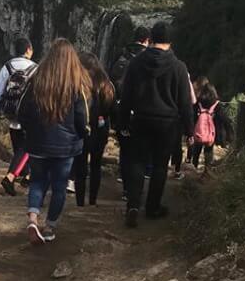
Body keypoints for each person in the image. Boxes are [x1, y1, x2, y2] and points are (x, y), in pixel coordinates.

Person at [118, 21, 194, 227]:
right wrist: (189, 130)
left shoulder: (136, 63)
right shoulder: (179, 67)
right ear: (170, 40)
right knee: (160, 166)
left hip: (141, 118)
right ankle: (152, 208)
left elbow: (126, 96)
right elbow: (185, 102)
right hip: (168, 124)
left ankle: (133, 205)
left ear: (151, 39)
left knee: (137, 162)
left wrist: (122, 121)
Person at [17, 38, 89, 244]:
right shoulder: (76, 85)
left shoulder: (37, 80)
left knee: (37, 181)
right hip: (65, 147)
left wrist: (29, 133)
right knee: (59, 187)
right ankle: (49, 227)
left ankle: (32, 219)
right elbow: (82, 118)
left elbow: (23, 111)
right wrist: (82, 136)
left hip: (38, 143)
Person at [0, 37, 37, 197]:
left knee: (19, 145)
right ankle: (10, 176)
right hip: (29, 114)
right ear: (29, 49)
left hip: (10, 112)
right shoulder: (36, 68)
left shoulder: (8, 66)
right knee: (27, 146)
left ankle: (26, 175)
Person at [109, 26, 151, 191]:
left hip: (120, 110)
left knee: (125, 150)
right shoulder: (148, 59)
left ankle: (124, 180)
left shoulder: (121, 56)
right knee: (140, 152)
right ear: (147, 40)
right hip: (142, 113)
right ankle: (135, 189)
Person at [73, 52, 115, 206]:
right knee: (96, 165)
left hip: (82, 127)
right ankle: (92, 200)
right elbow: (110, 109)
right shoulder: (106, 84)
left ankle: (79, 202)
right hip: (100, 128)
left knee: (80, 166)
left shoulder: (79, 84)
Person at [189, 79, 220, 171]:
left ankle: (194, 168)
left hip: (199, 132)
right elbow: (222, 119)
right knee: (209, 151)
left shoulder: (199, 103)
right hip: (210, 133)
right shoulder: (216, 104)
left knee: (196, 151)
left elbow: (193, 116)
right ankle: (207, 170)